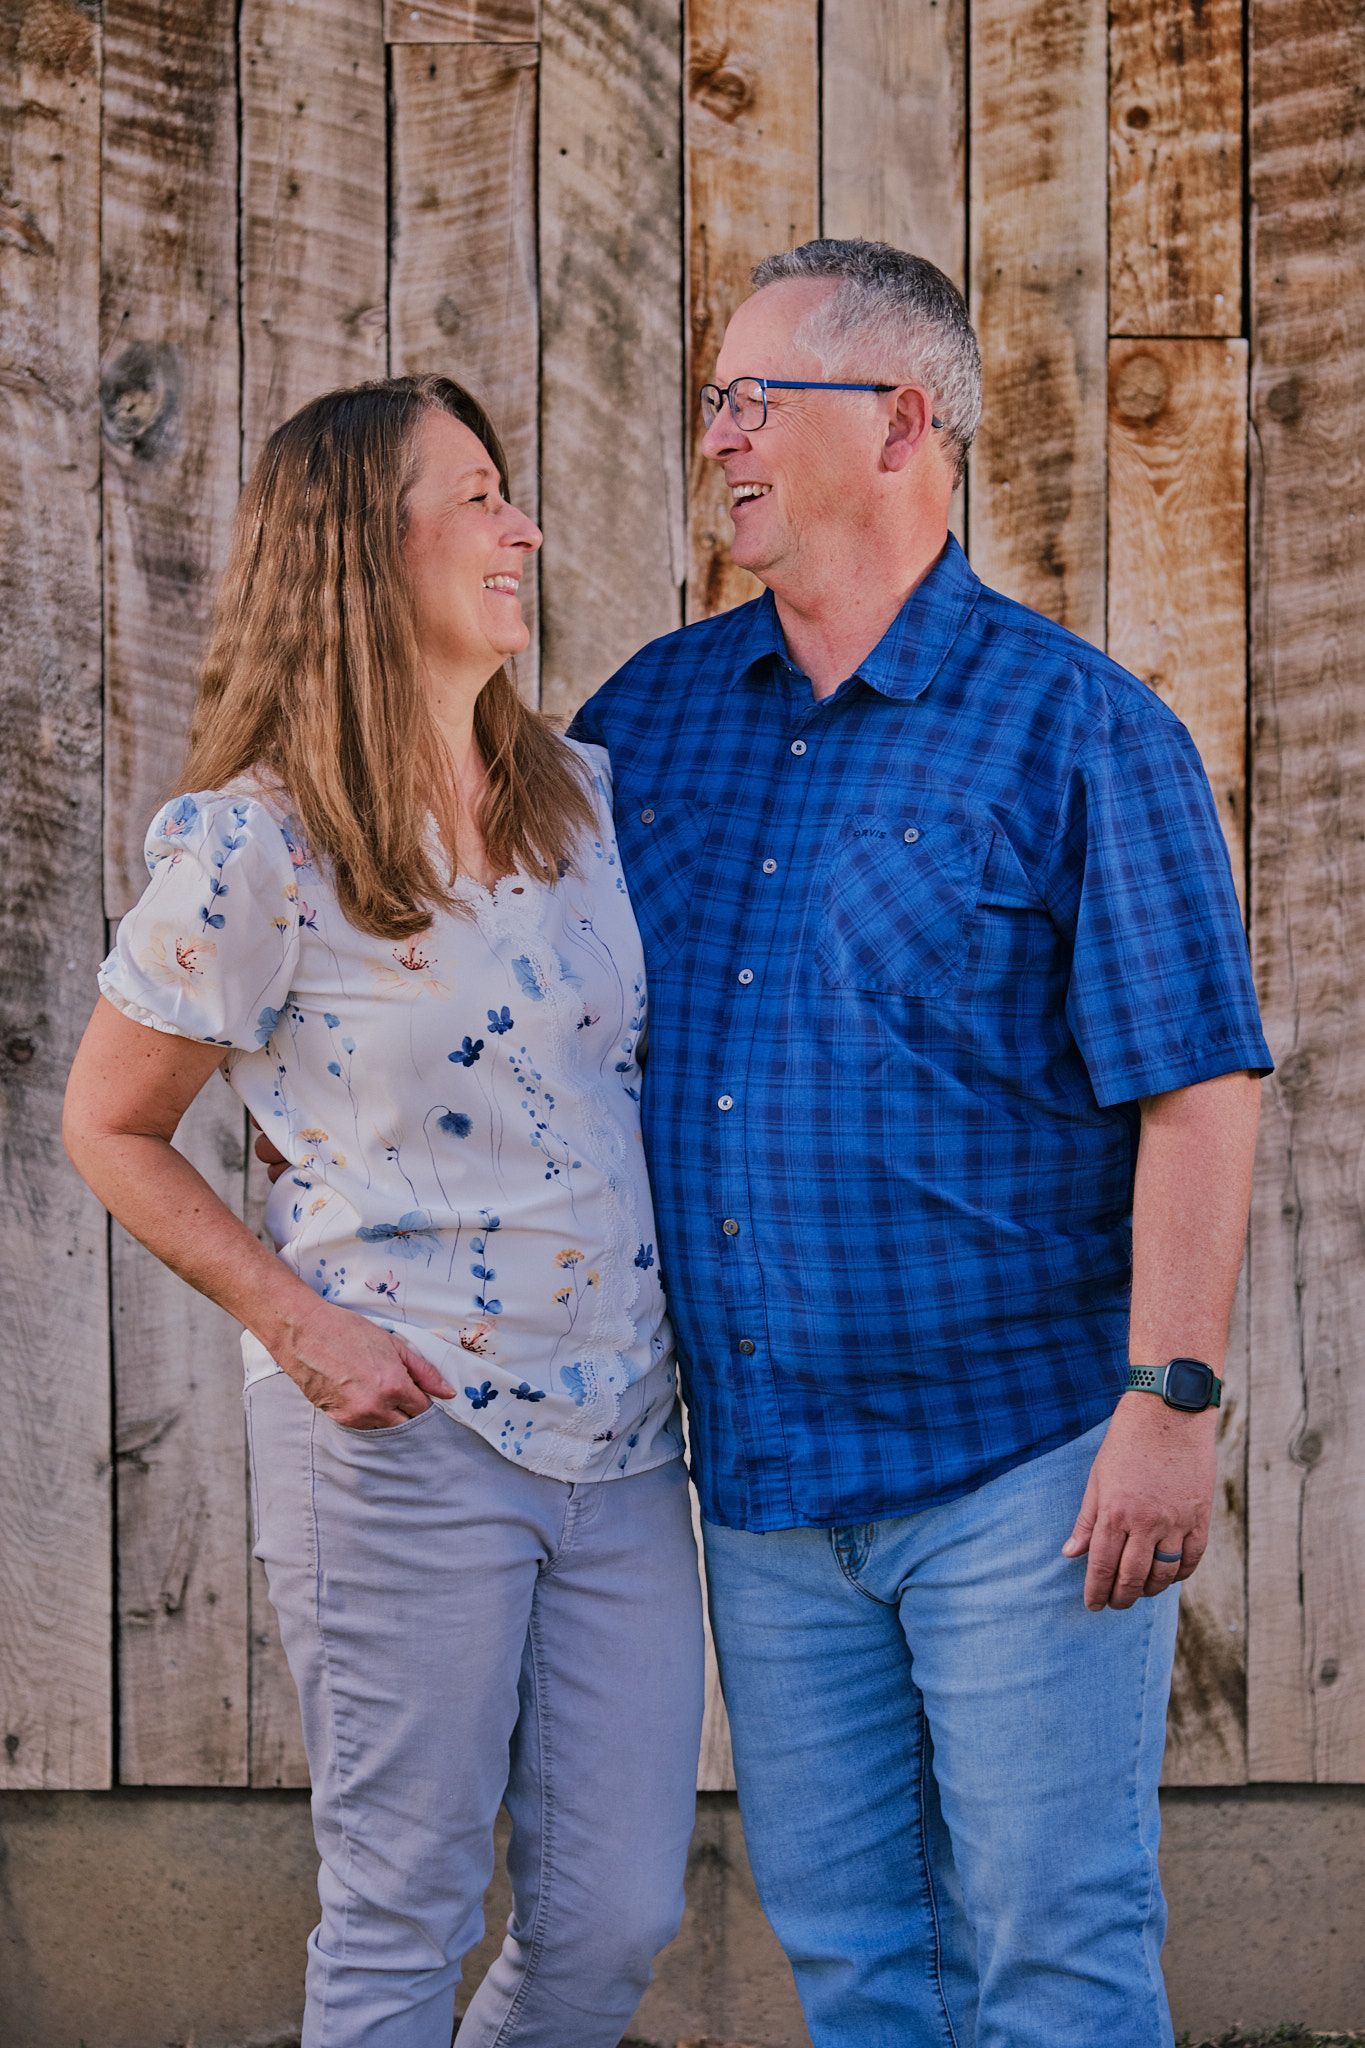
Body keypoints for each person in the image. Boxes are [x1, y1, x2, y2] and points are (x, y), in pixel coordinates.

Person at [566, 242, 1273, 2048]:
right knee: (861, 1962)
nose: (715, 435)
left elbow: (1195, 1087)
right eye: (708, 400)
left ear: (899, 422)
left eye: (751, 398)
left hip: (1020, 1471)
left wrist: (1169, 1402)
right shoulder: (640, 726)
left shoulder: (1078, 731)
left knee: (1052, 1942)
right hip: (767, 1478)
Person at [62, 374, 704, 2048]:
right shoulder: (260, 847)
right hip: (402, 1432)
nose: (525, 528)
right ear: (364, 544)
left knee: (614, 1913)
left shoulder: (581, 805)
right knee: (403, 1905)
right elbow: (109, 1125)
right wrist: (303, 1326)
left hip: (625, 1437)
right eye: (478, 494)